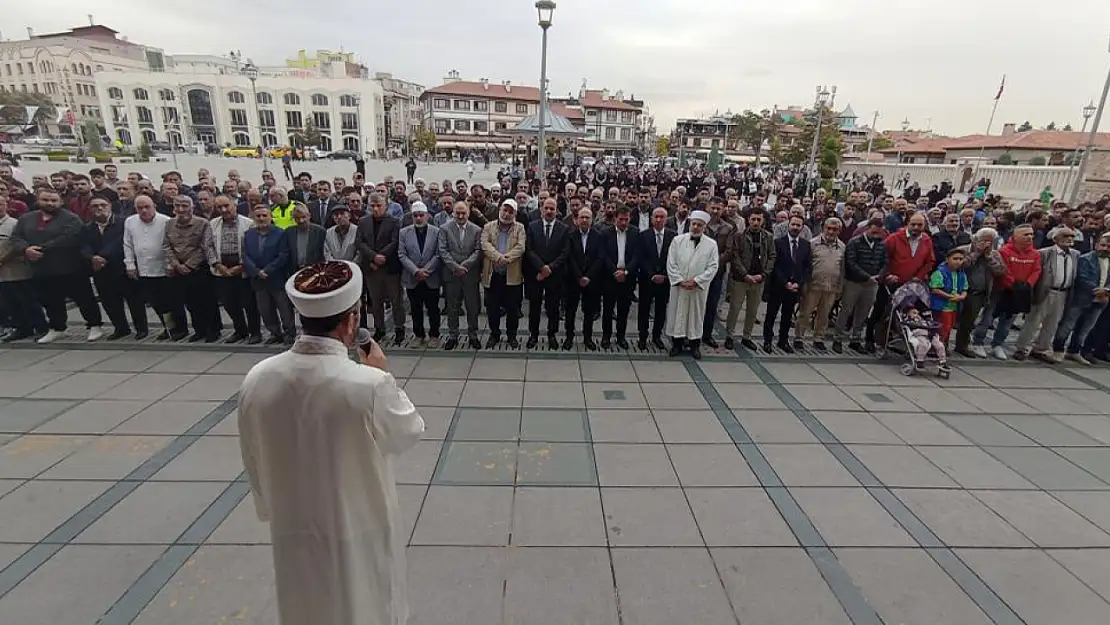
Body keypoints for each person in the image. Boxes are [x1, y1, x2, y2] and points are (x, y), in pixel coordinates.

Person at [238, 259, 424, 625]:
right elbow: (408, 430)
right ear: (351, 321)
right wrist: (380, 373)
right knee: (365, 604)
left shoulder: (258, 377)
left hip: (293, 523)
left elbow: (253, 455)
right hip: (358, 523)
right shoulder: (367, 385)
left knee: (305, 604)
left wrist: (269, 506)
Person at [10, 188, 105, 343]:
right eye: (46, 200)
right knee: (50, 300)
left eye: (54, 200)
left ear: (61, 202)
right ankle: (57, 327)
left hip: (71, 268)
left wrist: (40, 249)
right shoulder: (26, 219)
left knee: (84, 299)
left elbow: (68, 238)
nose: (50, 203)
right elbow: (16, 237)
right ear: (38, 200)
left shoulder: (71, 219)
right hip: (42, 269)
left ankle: (94, 325)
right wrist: (26, 249)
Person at [973, 224, 1042, 360]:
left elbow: (1036, 270)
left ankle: (997, 345)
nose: (1029, 237)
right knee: (988, 318)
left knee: (1007, 322)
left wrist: (1028, 284)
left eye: (1031, 234)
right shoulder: (1004, 251)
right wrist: (1012, 284)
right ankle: (978, 342)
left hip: (1020, 292)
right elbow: (1004, 270)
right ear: (1015, 237)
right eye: (1025, 234)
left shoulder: (1035, 254)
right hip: (1001, 291)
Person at [867, 212, 934, 352]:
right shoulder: (894, 239)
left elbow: (930, 261)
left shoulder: (926, 240)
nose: (916, 227)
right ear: (907, 224)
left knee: (906, 314)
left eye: (919, 225)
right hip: (892, 283)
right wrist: (886, 275)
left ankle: (898, 340)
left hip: (912, 285)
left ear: (924, 226)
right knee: (880, 311)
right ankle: (870, 339)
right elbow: (882, 259)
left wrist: (920, 276)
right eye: (913, 224)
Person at [83, 197, 147, 340]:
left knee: (134, 301)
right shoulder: (87, 227)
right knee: (110, 302)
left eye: (103, 205)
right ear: (90, 209)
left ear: (110, 206)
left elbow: (122, 242)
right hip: (101, 271)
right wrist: (91, 257)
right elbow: (83, 246)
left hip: (123, 268)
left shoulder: (124, 223)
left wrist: (103, 256)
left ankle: (141, 329)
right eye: (95, 206)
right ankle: (121, 328)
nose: (99, 208)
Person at [1016, 226, 1080, 363]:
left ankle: (1041, 348)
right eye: (1065, 236)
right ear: (1055, 239)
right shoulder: (1044, 253)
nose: (1069, 239)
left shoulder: (1075, 254)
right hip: (1045, 291)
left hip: (1063, 292)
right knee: (1033, 321)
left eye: (1071, 237)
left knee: (1052, 323)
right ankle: (1022, 348)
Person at [164, 195, 218, 342]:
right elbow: (166, 245)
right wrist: (176, 264)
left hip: (198, 269)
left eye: (184, 206)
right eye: (177, 206)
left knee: (206, 301)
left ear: (192, 207)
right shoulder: (169, 224)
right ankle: (199, 330)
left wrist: (189, 265)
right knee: (190, 303)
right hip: (179, 270)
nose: (181, 209)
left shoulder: (202, 223)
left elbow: (204, 247)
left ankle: (213, 330)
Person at [208, 194, 261, 344]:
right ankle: (240, 330)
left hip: (243, 269)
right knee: (229, 303)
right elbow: (208, 247)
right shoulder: (213, 224)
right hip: (221, 270)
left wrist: (242, 266)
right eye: (219, 207)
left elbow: (253, 249)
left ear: (234, 205)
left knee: (249, 304)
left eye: (226, 206)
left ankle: (255, 332)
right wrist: (217, 265)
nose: (224, 210)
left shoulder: (249, 223)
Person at [665, 210, 718, 359]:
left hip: (698, 288)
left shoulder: (711, 244)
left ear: (704, 227)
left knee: (696, 315)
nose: (695, 227)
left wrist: (697, 281)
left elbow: (713, 266)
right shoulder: (677, 241)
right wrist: (680, 280)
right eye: (693, 224)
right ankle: (677, 344)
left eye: (699, 225)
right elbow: (671, 262)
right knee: (678, 314)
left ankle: (695, 345)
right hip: (680, 286)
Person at [1053, 232, 1110, 365]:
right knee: (1068, 325)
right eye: (1102, 245)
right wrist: (1097, 290)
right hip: (1082, 298)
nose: (1105, 248)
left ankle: (1074, 351)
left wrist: (1106, 291)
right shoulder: (1086, 258)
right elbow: (1082, 277)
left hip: (1101, 301)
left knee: (1086, 328)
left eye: (1108, 246)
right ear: (1096, 245)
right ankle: (1058, 349)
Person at [357, 192, 405, 345]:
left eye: (379, 206)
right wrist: (373, 257)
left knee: (396, 300)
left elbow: (395, 241)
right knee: (376, 301)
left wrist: (381, 256)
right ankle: (379, 328)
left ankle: (399, 328)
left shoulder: (394, 221)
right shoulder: (363, 222)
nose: (375, 209)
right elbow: (360, 242)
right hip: (372, 268)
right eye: (372, 206)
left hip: (390, 267)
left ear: (386, 205)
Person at [244, 205, 296, 345]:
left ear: (270, 217)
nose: (261, 218)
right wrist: (256, 271)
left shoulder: (280, 233)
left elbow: (283, 255)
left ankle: (289, 333)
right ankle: (275, 333)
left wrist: (267, 270)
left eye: (264, 215)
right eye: (258, 216)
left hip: (276, 277)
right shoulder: (249, 234)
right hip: (258, 279)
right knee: (265, 310)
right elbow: (246, 255)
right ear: (254, 218)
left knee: (284, 308)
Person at [724, 210, 774, 351]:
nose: (756, 222)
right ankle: (729, 335)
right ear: (748, 220)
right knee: (735, 308)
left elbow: (772, 256)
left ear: (763, 221)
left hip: (759, 279)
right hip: (741, 279)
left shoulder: (768, 237)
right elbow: (735, 256)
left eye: (759, 220)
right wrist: (745, 274)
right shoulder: (739, 236)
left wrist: (763, 274)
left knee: (752, 310)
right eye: (753, 219)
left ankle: (747, 336)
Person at [524, 196, 570, 349]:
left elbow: (564, 253)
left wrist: (550, 268)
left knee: (553, 307)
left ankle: (552, 334)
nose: (549, 211)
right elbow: (529, 250)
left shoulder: (563, 229)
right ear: (541, 210)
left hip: (554, 275)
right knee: (534, 306)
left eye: (552, 209)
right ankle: (534, 334)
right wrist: (541, 267)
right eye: (546, 208)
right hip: (536, 274)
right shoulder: (532, 226)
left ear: (557, 211)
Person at [0, 194, 47, 342]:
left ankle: (41, 328)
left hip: (17, 269)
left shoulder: (14, 224)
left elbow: (18, 244)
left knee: (27, 300)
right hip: (2, 274)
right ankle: (22, 328)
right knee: (10, 302)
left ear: (6, 205)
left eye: (0, 204)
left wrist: (3, 259)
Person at [480, 199, 526, 348]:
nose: (506, 214)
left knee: (512, 309)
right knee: (492, 309)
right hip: (493, 275)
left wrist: (507, 258)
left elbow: (521, 247)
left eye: (510, 211)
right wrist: (498, 257)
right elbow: (485, 245)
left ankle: (512, 335)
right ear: (500, 210)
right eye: (504, 210)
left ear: (515, 213)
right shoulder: (488, 226)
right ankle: (494, 334)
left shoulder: (520, 228)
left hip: (512, 276)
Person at [835, 218, 885, 353]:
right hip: (854, 282)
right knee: (846, 310)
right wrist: (866, 276)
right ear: (867, 228)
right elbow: (851, 262)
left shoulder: (881, 243)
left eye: (878, 233)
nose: (876, 236)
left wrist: (879, 275)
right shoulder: (854, 242)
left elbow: (884, 262)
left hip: (872, 284)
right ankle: (837, 338)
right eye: (873, 232)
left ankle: (855, 339)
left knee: (863, 313)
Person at [437, 200, 483, 350]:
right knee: (452, 307)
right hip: (452, 275)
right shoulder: (444, 229)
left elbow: (478, 251)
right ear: (453, 213)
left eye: (464, 213)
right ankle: (452, 335)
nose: (461, 216)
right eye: (458, 213)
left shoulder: (476, 230)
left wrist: (465, 265)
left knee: (472, 307)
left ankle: (473, 334)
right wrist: (455, 267)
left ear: (469, 213)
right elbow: (443, 250)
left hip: (470, 274)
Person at [795, 218, 845, 350]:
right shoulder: (812, 244)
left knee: (824, 315)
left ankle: (818, 338)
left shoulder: (841, 246)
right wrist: (804, 285)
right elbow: (805, 266)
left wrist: (840, 288)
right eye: (829, 228)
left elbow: (842, 269)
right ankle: (799, 337)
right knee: (805, 313)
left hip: (831, 287)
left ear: (839, 231)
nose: (831, 232)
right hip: (813, 286)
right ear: (824, 228)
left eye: (835, 229)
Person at [763, 215, 812, 353]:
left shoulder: (805, 245)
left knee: (787, 315)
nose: (795, 227)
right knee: (771, 315)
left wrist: (799, 283)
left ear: (802, 228)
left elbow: (807, 267)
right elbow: (775, 265)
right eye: (793, 224)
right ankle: (767, 340)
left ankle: (783, 341)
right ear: (788, 225)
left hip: (794, 287)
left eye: (798, 225)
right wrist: (785, 282)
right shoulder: (778, 242)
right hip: (778, 286)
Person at [398, 202, 442, 347]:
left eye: (421, 215)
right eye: (415, 215)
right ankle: (419, 335)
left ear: (427, 216)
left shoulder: (436, 232)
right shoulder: (404, 232)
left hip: (431, 277)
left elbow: (438, 254)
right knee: (415, 308)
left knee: (433, 308)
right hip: (413, 277)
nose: (418, 218)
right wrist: (416, 270)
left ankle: (434, 335)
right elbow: (402, 254)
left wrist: (426, 270)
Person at [601, 205, 640, 349]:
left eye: (626, 219)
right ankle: (606, 336)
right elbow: (603, 255)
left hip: (627, 278)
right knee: (608, 309)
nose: (624, 222)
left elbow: (637, 256)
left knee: (624, 310)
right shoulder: (606, 233)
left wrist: (626, 272)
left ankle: (621, 336)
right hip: (610, 277)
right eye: (621, 219)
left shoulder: (635, 233)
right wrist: (614, 272)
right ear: (615, 219)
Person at [565, 206, 604, 350]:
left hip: (591, 280)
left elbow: (600, 258)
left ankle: (588, 337)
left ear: (592, 220)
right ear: (576, 220)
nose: (584, 220)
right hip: (573, 279)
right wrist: (578, 276)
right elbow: (569, 257)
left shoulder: (598, 236)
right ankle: (569, 337)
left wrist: (588, 276)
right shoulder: (570, 235)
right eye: (581, 217)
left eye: (587, 217)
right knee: (570, 310)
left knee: (589, 311)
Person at [636, 207, 675, 350]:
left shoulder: (673, 236)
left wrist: (664, 274)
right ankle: (642, 336)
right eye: (656, 217)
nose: (658, 220)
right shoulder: (643, 235)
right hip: (647, 279)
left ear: (666, 219)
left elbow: (674, 259)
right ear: (651, 218)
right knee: (644, 309)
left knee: (661, 309)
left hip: (664, 280)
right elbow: (641, 258)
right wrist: (652, 274)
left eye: (661, 217)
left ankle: (657, 336)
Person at [928, 247, 968, 345]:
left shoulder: (961, 274)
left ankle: (944, 345)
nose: (958, 262)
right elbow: (935, 289)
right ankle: (936, 346)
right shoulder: (939, 272)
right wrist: (950, 297)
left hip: (954, 306)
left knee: (949, 327)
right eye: (955, 259)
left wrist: (962, 296)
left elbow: (965, 289)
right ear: (947, 259)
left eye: (961, 259)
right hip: (941, 306)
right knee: (941, 327)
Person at [284, 205, 327, 273]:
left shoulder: (320, 231)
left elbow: (324, 253)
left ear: (309, 216)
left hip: (315, 271)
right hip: (294, 271)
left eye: (303, 217)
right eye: (297, 218)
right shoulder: (289, 232)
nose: (301, 221)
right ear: (294, 219)